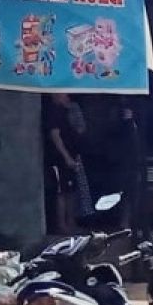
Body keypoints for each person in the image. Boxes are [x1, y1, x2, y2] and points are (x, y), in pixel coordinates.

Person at [43, 92, 89, 234]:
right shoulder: (53, 112)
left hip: (73, 155)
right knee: (61, 191)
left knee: (71, 190)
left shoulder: (68, 110)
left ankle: (71, 221)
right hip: (60, 159)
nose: (66, 96)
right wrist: (66, 157)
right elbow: (55, 136)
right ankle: (62, 225)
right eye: (63, 93)